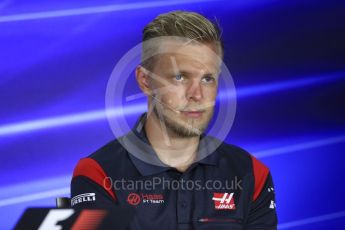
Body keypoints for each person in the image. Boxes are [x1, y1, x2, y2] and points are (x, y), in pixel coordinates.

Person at [71, 10, 278, 229]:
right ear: (145, 81)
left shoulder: (252, 174)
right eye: (180, 77)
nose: (197, 95)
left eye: (208, 79)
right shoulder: (97, 173)